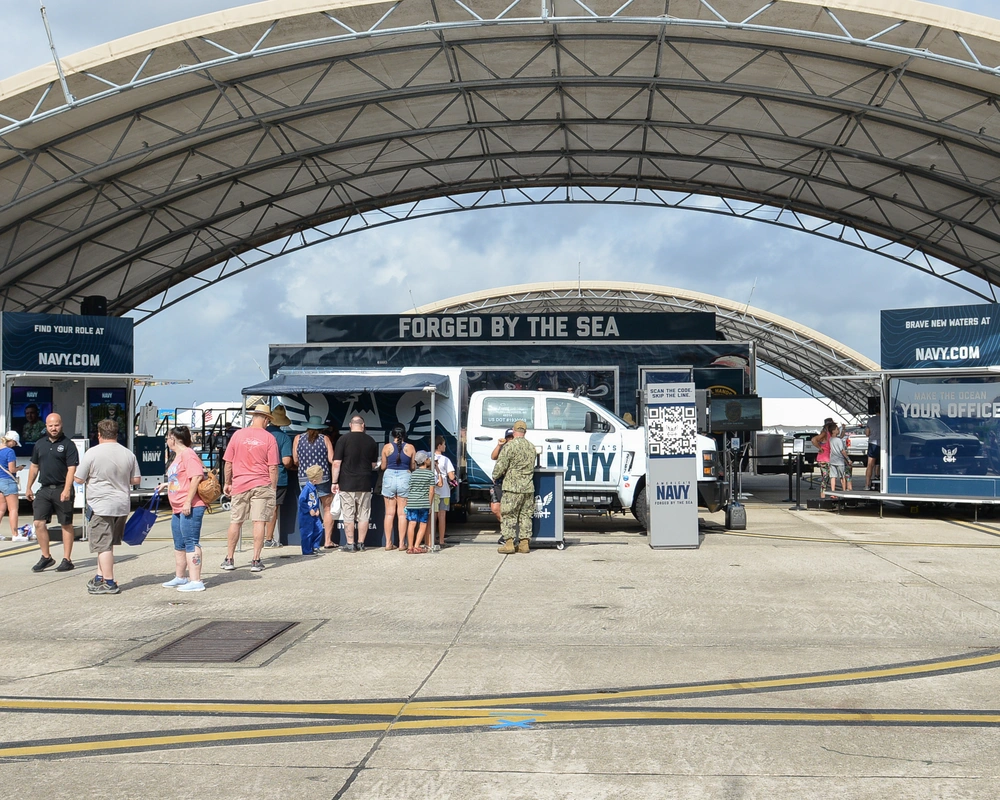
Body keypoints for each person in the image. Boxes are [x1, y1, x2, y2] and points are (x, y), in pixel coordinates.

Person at [74, 419, 140, 595]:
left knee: (102, 545)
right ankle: (99, 576)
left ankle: (109, 582)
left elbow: (78, 478)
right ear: (117, 434)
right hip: (122, 505)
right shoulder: (128, 454)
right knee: (108, 544)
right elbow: (136, 480)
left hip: (100, 505)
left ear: (99, 434)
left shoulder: (92, 453)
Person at [221, 404, 279, 573]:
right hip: (261, 483)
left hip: (240, 483)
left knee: (235, 521)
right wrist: (272, 487)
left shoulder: (238, 435)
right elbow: (273, 467)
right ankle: (255, 560)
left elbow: (228, 462)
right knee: (259, 521)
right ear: (267, 419)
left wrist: (227, 482)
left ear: (254, 417)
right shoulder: (269, 438)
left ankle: (229, 558)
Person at [26, 413, 79, 573]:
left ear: (61, 425)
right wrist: (28, 487)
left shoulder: (68, 445)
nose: (53, 428)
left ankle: (67, 559)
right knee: (38, 523)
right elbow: (34, 466)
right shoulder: (40, 444)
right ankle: (46, 557)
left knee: (66, 524)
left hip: (62, 487)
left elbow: (72, 469)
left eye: (56, 425)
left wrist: (67, 489)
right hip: (44, 489)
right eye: (50, 426)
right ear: (46, 426)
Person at [159, 426, 207, 592]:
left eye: (167, 437)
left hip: (190, 506)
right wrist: (167, 484)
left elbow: (197, 476)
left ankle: (196, 580)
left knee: (191, 542)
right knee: (179, 543)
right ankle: (180, 577)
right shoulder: (178, 456)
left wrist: (187, 501)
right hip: (177, 507)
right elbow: (181, 477)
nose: (166, 441)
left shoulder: (188, 454)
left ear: (173, 438)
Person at [331, 415, 378, 552]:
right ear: (363, 425)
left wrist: (334, 481)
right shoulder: (371, 441)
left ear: (350, 425)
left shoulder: (343, 440)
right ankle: (361, 543)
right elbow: (373, 464)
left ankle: (350, 544)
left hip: (347, 483)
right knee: (364, 514)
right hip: (365, 482)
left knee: (348, 514)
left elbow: (336, 463)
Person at [492, 419, 536, 554]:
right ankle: (524, 544)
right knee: (526, 516)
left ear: (514, 430)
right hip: (528, 487)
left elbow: (501, 466)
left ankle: (509, 543)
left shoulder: (509, 446)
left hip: (512, 487)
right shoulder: (531, 446)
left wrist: (495, 475)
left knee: (508, 515)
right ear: (525, 432)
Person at [292, 415, 336, 549]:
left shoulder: (298, 438)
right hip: (323, 477)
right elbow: (331, 459)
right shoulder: (325, 439)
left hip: (305, 479)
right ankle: (327, 540)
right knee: (327, 508)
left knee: (309, 508)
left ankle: (309, 541)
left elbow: (295, 460)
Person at [380, 424, 415, 551]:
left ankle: (388, 543)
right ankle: (401, 543)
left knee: (389, 513)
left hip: (389, 476)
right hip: (404, 477)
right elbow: (412, 466)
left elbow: (383, 466)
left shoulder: (387, 447)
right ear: (404, 434)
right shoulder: (410, 447)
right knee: (402, 514)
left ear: (392, 435)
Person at [264, 405, 294, 548]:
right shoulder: (284, 438)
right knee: (273, 509)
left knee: (259, 509)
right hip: (278, 478)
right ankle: (269, 539)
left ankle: (258, 537)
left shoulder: (261, 434)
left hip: (258, 476)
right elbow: (286, 461)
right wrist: (292, 467)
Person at [404, 451, 435, 553]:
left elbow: (409, 488)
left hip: (412, 502)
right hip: (423, 503)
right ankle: (417, 546)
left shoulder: (413, 474)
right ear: (425, 461)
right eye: (428, 459)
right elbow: (431, 491)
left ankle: (410, 546)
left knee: (412, 523)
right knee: (423, 524)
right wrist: (429, 504)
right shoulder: (430, 474)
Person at [297, 464, 325, 556]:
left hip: (314, 515)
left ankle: (315, 546)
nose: (322, 478)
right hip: (306, 516)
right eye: (321, 477)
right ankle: (307, 550)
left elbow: (314, 501)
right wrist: (309, 510)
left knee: (319, 529)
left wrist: (316, 509)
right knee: (307, 532)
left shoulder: (314, 489)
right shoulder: (307, 489)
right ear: (315, 480)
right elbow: (301, 501)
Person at [433, 436, 456, 546]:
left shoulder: (428, 457)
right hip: (444, 492)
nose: (445, 446)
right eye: (444, 444)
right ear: (439, 446)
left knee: (433, 515)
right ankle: (441, 540)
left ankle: (431, 538)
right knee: (442, 516)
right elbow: (451, 477)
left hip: (432, 490)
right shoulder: (446, 460)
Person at [0, 431, 22, 539]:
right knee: (13, 509)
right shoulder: (10, 452)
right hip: (8, 481)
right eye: (15, 443)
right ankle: (15, 534)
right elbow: (12, 469)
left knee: (1, 509)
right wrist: (19, 468)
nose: (15, 445)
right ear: (12, 441)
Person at [490, 428, 513, 525]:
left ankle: (508, 532)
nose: (510, 439)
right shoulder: (503, 448)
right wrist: (499, 445)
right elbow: (493, 457)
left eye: (512, 437)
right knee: (495, 508)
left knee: (510, 510)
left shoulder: (517, 448)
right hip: (499, 482)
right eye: (508, 437)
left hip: (511, 483)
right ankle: (506, 528)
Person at [811, 421, 835, 499]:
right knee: (825, 477)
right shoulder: (825, 434)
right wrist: (820, 448)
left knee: (827, 476)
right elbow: (814, 440)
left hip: (827, 458)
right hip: (824, 458)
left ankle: (824, 493)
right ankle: (822, 493)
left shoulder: (830, 434)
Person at [828, 424, 850, 494]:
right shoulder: (839, 440)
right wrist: (848, 459)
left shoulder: (830, 439)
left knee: (833, 477)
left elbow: (841, 436)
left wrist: (843, 429)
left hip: (832, 460)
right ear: (833, 431)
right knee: (842, 477)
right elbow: (842, 451)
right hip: (840, 461)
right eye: (837, 429)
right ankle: (844, 491)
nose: (838, 430)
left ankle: (833, 492)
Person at [866, 413, 881, 491]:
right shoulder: (885, 419)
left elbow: (867, 433)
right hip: (883, 443)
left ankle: (867, 484)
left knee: (870, 464)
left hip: (873, 443)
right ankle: (877, 476)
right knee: (879, 463)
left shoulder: (870, 420)